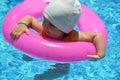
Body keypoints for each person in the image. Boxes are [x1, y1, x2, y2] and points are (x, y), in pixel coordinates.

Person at [10, 0, 106, 79]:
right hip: (38, 50)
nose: (44, 25)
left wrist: (101, 53)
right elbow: (29, 18)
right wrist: (22, 25)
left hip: (62, 57)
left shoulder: (72, 36)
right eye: (44, 20)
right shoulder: (43, 28)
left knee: (63, 70)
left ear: (65, 29)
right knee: (26, 57)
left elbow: (97, 36)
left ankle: (44, 77)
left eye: (51, 24)